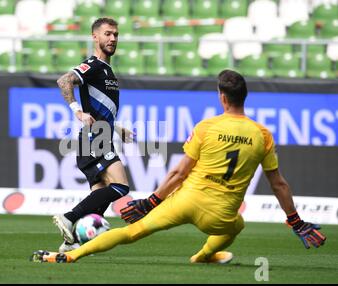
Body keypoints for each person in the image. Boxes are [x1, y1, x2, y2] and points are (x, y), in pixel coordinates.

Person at [34, 69, 326, 264]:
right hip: (222, 215)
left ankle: (68, 257)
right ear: (244, 98)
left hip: (186, 202)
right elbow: (279, 184)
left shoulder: (207, 127)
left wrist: (151, 201)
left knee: (131, 233)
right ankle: (203, 255)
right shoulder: (262, 135)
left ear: (222, 98)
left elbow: (179, 172)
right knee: (238, 224)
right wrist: (295, 221)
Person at [53, 17, 134, 253]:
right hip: (95, 136)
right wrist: (77, 111)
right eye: (107, 34)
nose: (113, 39)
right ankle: (69, 218)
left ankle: (71, 243)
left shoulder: (106, 70)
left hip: (100, 134)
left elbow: (100, 107)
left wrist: (118, 128)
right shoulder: (94, 65)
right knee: (120, 187)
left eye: (116, 35)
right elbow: (64, 80)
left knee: (100, 195)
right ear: (95, 37)